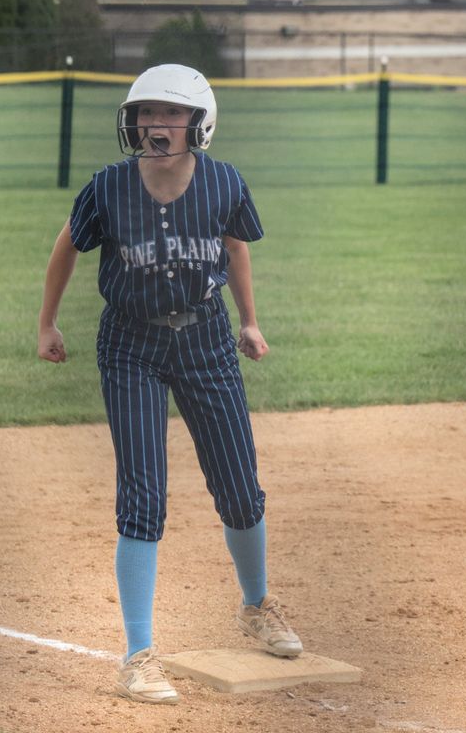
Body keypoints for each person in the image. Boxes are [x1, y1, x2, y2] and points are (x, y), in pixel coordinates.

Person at [37, 64, 302, 705]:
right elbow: (67, 245)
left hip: (206, 340)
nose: (156, 124)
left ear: (198, 124)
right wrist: (47, 322)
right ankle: (139, 655)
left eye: (171, 113)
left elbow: (235, 247)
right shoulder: (108, 187)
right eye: (146, 113)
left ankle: (257, 606)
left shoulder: (223, 182)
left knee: (239, 485)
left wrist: (250, 321)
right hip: (130, 346)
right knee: (143, 496)